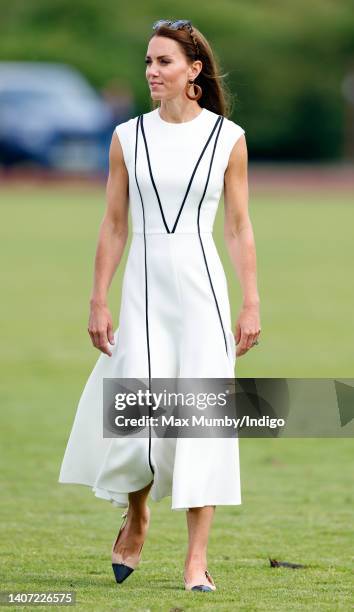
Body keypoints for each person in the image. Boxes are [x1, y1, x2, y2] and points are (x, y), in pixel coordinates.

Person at [58, 19, 261, 592]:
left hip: (202, 296)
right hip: (143, 295)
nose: (151, 71)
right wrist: (98, 300)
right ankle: (138, 513)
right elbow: (114, 224)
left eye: (164, 62)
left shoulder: (228, 138)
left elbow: (240, 228)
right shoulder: (127, 136)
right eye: (148, 61)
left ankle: (196, 561)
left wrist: (251, 304)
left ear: (193, 71)